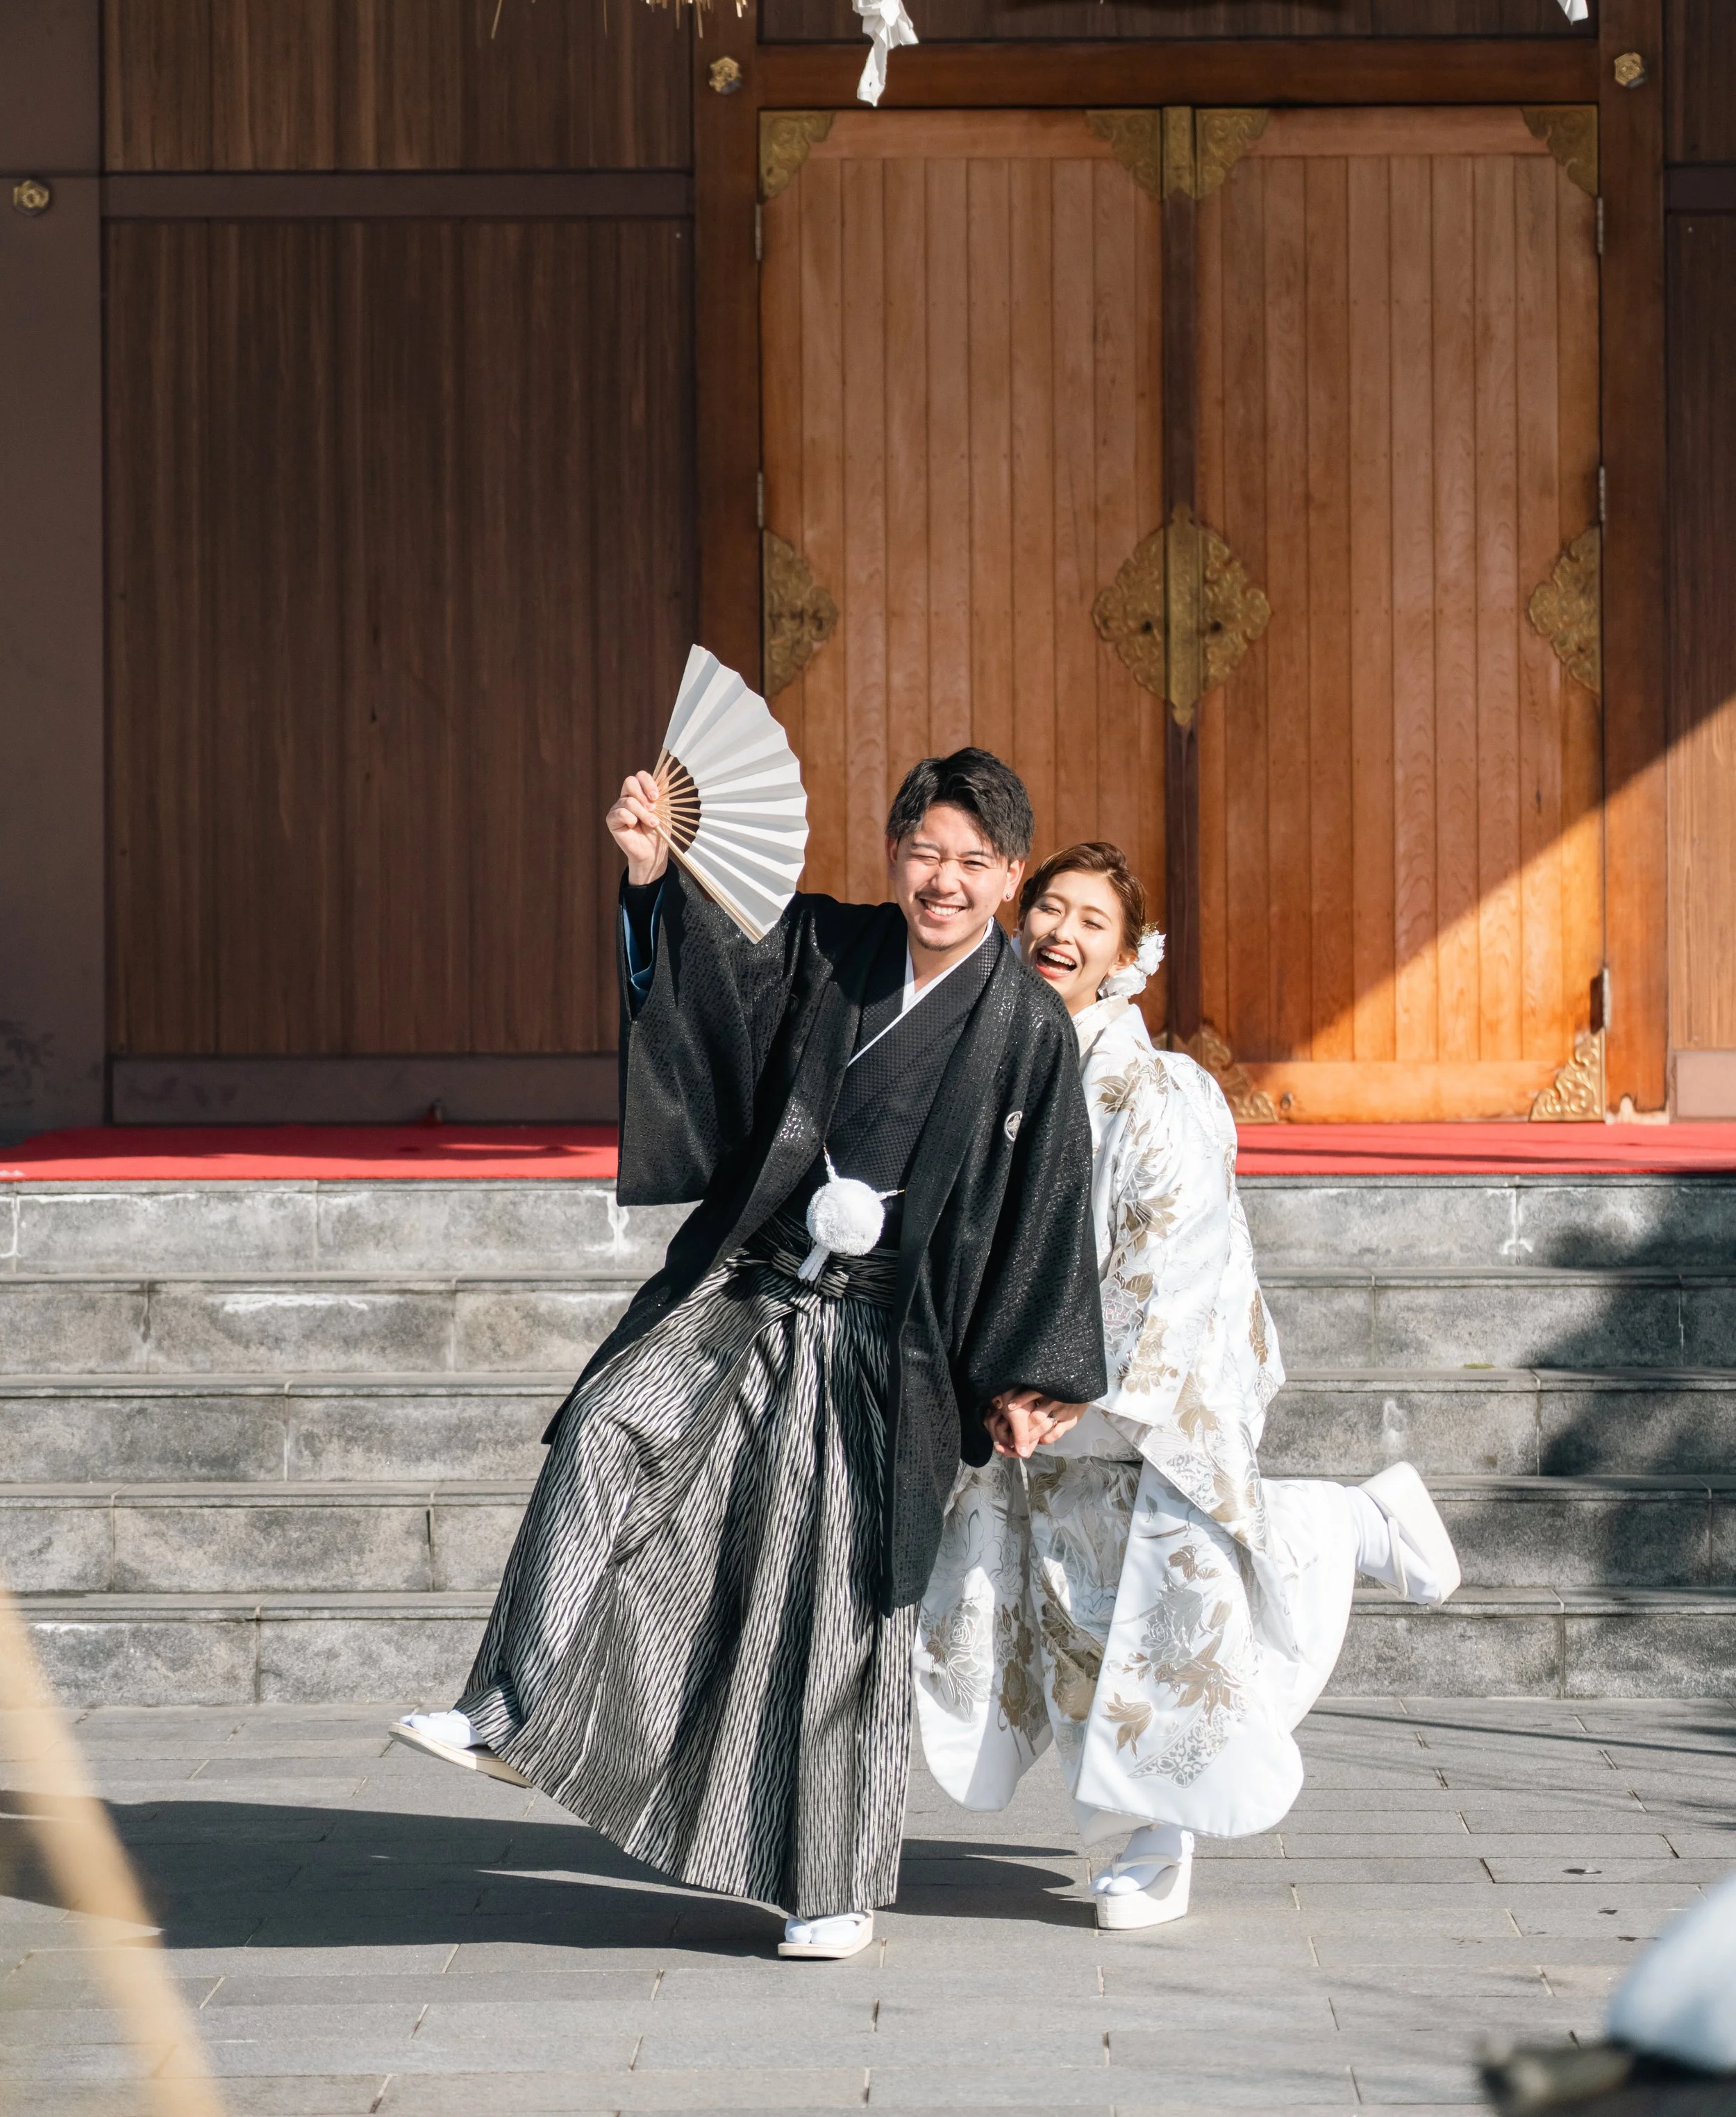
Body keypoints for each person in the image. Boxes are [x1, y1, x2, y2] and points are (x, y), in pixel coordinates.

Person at [396, 748, 1104, 1960]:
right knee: (610, 1422)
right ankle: (512, 1708)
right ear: (893, 853)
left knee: (832, 1603)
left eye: (974, 861)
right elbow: (710, 997)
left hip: (892, 1341)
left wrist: (1034, 1370)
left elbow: (1047, 1199)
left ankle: (829, 1884)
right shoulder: (829, 946)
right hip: (756, 1282)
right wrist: (649, 877)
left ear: (1010, 874)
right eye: (926, 851)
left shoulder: (1029, 1025)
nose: (945, 879)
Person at [915, 841, 1461, 1932]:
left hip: (1152, 1382)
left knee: (1169, 1604)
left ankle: (1169, 1831)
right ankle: (1343, 1517)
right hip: (1043, 1393)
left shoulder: (1156, 1087)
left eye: (1094, 922)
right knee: (1078, 1597)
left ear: (1128, 957)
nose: (1062, 933)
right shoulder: (1006, 1067)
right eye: (1051, 910)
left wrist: (1073, 1390)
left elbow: (1175, 1254)